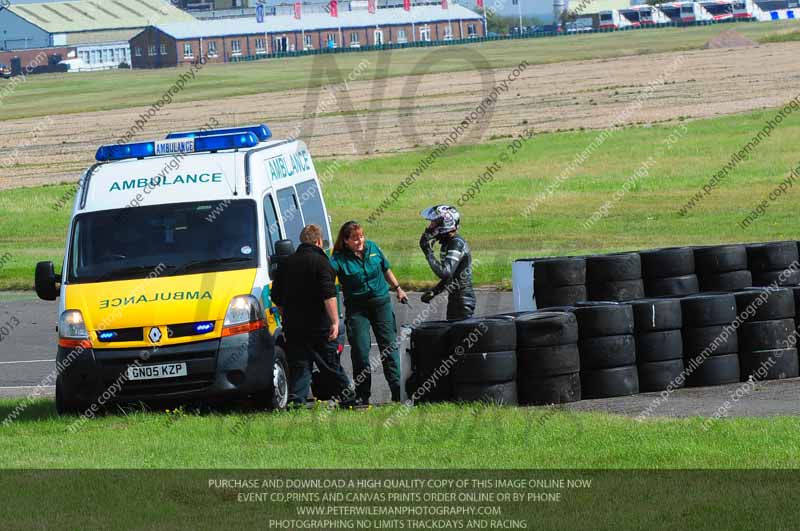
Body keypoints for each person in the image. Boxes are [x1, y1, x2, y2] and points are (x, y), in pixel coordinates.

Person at [272, 224, 353, 406]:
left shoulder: (286, 264)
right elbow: (329, 295)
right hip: (319, 326)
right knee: (330, 365)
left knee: (300, 366)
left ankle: (297, 402)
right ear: (318, 241)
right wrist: (334, 322)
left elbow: (277, 297)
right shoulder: (321, 262)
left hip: (294, 327)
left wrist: (286, 319)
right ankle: (348, 398)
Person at [330, 221, 407, 404]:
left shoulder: (372, 248)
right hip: (357, 308)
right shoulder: (338, 258)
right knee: (360, 350)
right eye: (355, 239)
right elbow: (326, 277)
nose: (360, 241)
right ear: (346, 240)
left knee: (389, 346)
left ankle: (398, 391)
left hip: (380, 303)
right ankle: (363, 394)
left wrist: (398, 288)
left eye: (361, 236)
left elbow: (385, 268)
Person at [418, 205, 476, 320]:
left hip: (462, 299)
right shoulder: (448, 243)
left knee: (459, 335)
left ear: (445, 224)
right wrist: (434, 292)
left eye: (433, 223)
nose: (429, 227)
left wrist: (427, 251)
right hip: (456, 297)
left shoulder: (456, 243)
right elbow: (450, 277)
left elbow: (445, 273)